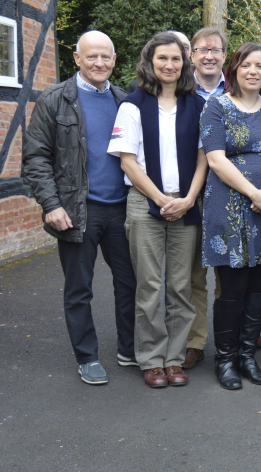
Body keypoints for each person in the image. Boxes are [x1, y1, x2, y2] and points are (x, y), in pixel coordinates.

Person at [23, 30, 136, 385]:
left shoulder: (124, 101)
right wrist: (51, 204)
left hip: (122, 210)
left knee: (130, 282)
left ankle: (129, 348)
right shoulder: (55, 99)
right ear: (76, 58)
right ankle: (87, 357)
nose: (99, 63)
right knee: (79, 288)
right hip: (75, 210)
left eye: (106, 57)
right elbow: (35, 157)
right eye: (92, 57)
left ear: (114, 60)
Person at [108, 32, 207, 388]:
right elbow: (129, 163)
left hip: (186, 204)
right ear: (150, 62)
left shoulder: (196, 105)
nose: (169, 65)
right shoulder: (133, 105)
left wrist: (189, 199)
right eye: (162, 58)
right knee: (149, 286)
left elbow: (203, 159)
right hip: (144, 204)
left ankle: (175, 358)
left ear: (185, 64)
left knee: (180, 287)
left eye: (176, 59)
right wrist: (161, 200)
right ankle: (151, 359)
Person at [200, 42, 261, 390]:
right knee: (233, 287)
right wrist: (253, 193)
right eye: (247, 65)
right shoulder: (217, 106)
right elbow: (215, 158)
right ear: (234, 69)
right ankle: (224, 360)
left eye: (260, 66)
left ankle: (246, 356)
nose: (254, 71)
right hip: (229, 205)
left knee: (259, 286)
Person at [183, 27, 229, 370]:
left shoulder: (240, 88)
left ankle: (234, 332)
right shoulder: (179, 91)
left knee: (229, 270)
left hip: (231, 193)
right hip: (192, 191)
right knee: (194, 274)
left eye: (216, 50)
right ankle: (194, 341)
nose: (209, 55)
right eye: (203, 50)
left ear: (225, 56)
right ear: (192, 56)